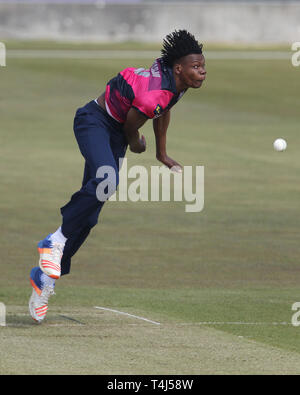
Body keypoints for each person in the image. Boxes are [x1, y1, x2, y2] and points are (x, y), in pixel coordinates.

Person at [29, 29, 206, 323]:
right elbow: (132, 125)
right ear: (179, 69)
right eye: (196, 67)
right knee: (107, 181)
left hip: (115, 128)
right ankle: (54, 241)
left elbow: (165, 108)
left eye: (203, 67)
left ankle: (45, 278)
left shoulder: (175, 83)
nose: (201, 72)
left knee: (89, 216)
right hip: (95, 121)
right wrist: (136, 143)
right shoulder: (156, 94)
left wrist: (161, 153)